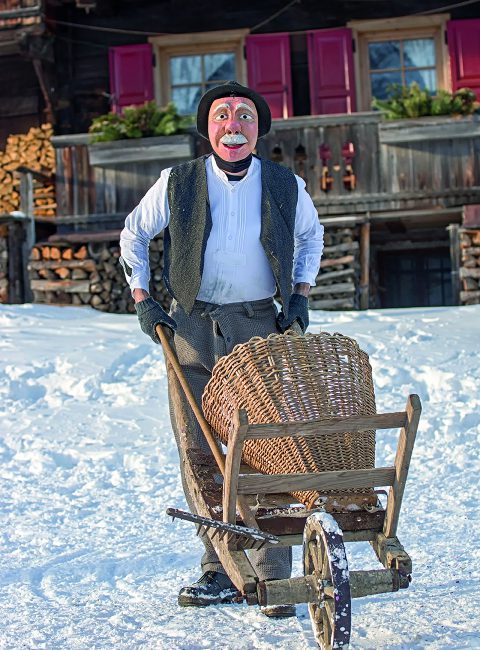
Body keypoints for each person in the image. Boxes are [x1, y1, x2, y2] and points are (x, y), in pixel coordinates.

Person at [120, 81, 324, 617]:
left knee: (264, 449)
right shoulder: (177, 183)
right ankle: (218, 570)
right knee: (199, 450)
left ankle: (271, 574)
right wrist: (144, 298)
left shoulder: (283, 184)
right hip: (189, 328)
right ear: (207, 127)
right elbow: (134, 235)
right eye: (221, 116)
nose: (233, 126)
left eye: (244, 117)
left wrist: (299, 296)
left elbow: (311, 237)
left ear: (259, 128)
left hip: (259, 328)